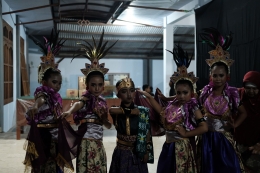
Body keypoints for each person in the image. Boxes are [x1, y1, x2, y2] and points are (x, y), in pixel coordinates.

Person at [139, 44, 208, 173]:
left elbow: (204, 127)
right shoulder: (173, 104)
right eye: (178, 92)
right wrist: (149, 97)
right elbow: (161, 111)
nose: (181, 96)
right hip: (168, 147)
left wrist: (186, 133)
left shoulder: (193, 106)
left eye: (185, 92)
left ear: (191, 93)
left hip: (183, 148)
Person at [61, 29, 115, 173]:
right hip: (85, 142)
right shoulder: (86, 98)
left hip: (98, 143)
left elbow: (108, 126)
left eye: (99, 85)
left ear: (103, 86)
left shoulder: (103, 102)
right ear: (87, 85)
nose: (96, 88)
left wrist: (103, 118)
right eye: (93, 84)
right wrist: (68, 111)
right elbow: (79, 104)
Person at [198, 27, 247, 173]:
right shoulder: (204, 93)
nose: (218, 79)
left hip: (224, 140)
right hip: (206, 140)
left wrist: (233, 125)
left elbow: (244, 113)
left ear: (227, 76)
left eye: (221, 75)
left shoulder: (232, 94)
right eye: (215, 75)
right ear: (210, 76)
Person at [23, 31, 67, 173]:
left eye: (59, 83)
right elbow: (41, 100)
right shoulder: (44, 92)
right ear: (44, 82)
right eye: (54, 82)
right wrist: (35, 106)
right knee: (44, 164)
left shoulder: (56, 97)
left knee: (54, 165)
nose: (57, 86)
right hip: (44, 136)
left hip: (55, 135)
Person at [109, 77, 154, 173]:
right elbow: (111, 110)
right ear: (118, 95)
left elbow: (147, 132)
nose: (129, 95)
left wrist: (146, 151)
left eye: (132, 91)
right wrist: (130, 111)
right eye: (124, 91)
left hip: (138, 151)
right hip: (121, 153)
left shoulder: (142, 111)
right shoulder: (116, 112)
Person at [234, 71, 260, 172]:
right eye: (248, 88)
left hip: (257, 145)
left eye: (255, 88)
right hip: (239, 143)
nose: (251, 91)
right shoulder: (238, 95)